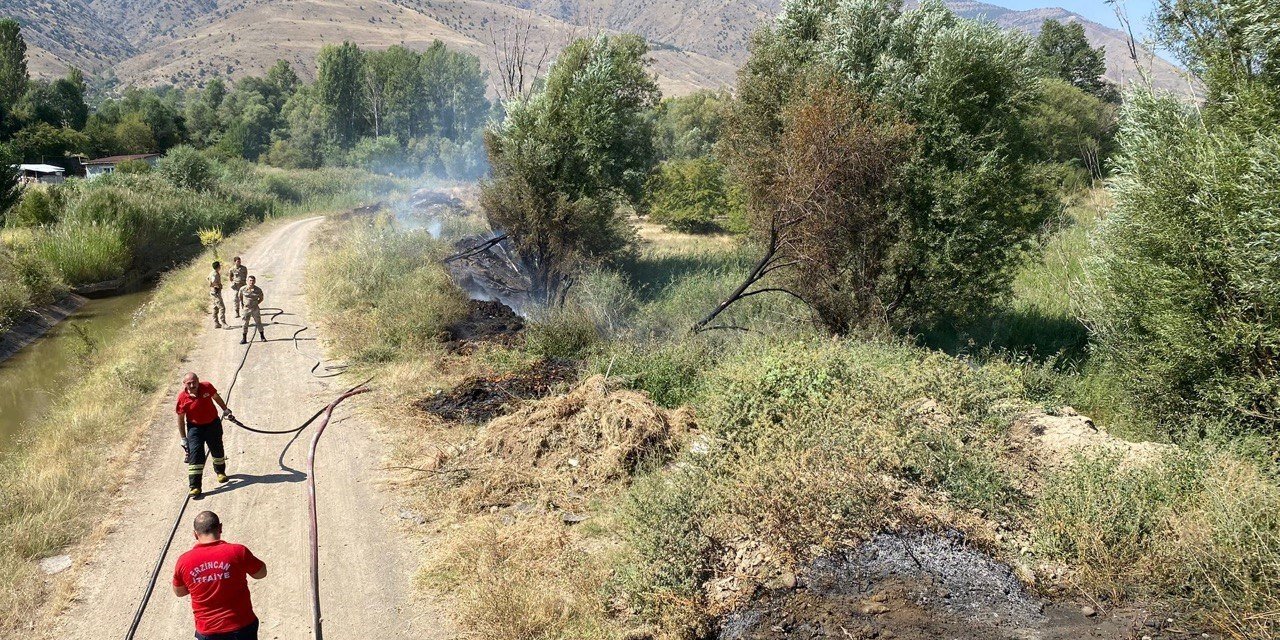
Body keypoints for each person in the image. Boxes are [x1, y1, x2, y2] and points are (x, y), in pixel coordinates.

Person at [172, 511, 267, 640]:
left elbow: (180, 592)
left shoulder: (184, 561)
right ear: (220, 528)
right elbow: (261, 573)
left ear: (195, 534)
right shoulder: (237, 551)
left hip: (208, 632)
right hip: (242, 626)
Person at [176, 372, 234, 497]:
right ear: (184, 384)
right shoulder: (182, 398)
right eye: (189, 383)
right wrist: (183, 438)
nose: (192, 385)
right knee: (196, 455)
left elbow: (217, 398)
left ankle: (220, 473)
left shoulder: (207, 387)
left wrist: (225, 410)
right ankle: (195, 486)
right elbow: (180, 419)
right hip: (195, 428)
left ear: (198, 380)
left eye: (194, 382)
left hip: (212, 424)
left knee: (217, 449)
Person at [237, 275, 266, 345]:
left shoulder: (258, 290)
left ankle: (262, 337)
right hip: (246, 309)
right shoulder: (242, 289)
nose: (251, 282)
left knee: (258, 322)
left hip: (255, 309)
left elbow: (261, 298)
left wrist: (256, 303)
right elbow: (240, 297)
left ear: (255, 281)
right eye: (250, 280)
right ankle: (244, 339)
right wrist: (244, 304)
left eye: (253, 281)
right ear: (247, 281)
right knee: (245, 324)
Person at [208, 261, 227, 329]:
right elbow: (212, 283)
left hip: (213, 293)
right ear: (218, 267)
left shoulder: (212, 272)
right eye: (220, 266)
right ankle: (223, 323)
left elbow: (208, 278)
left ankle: (216, 323)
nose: (220, 267)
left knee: (215, 308)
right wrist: (218, 286)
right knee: (222, 308)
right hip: (216, 293)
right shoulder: (215, 274)